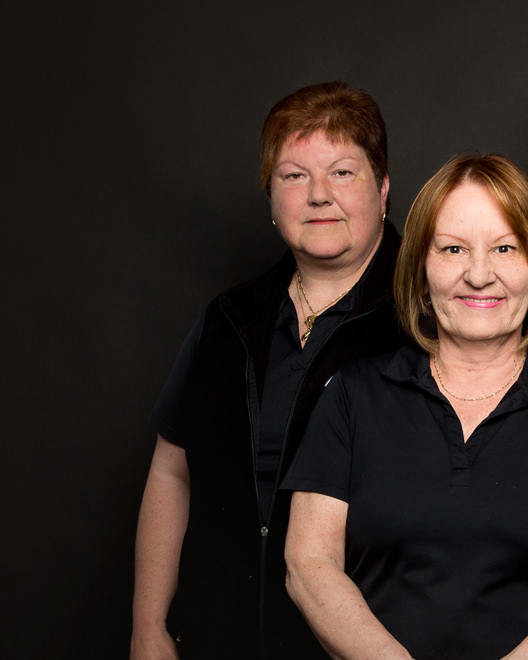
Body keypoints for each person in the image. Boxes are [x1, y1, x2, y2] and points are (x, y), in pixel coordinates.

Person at [282, 153, 528, 660]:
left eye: (505, 248)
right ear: (421, 267)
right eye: (454, 248)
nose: (479, 275)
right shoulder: (352, 395)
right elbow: (308, 566)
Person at [130, 80, 403, 660]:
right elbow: (172, 471)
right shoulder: (228, 321)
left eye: (342, 173)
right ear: (272, 198)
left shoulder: (427, 321)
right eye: (294, 175)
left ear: (382, 188)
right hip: (217, 639)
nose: (319, 195)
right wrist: (148, 626)